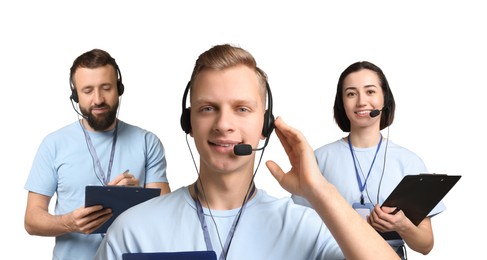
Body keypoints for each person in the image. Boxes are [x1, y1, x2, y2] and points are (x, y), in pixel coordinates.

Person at [95, 44, 398, 260]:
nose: (223, 124)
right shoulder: (133, 230)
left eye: (242, 109)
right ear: (189, 122)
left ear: (265, 124)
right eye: (208, 108)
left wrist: (319, 190)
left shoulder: (305, 228)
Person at [24, 48, 171, 260]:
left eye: (106, 88)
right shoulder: (53, 144)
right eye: (87, 90)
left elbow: (165, 217)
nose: (98, 99)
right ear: (75, 95)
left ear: (119, 89)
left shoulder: (147, 142)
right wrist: (68, 223)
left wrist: (136, 197)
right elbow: (31, 220)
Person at [292, 61, 444, 259]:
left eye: (370, 92)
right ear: (342, 103)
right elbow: (298, 230)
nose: (361, 102)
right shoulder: (317, 159)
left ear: (384, 99)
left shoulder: (409, 162)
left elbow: (426, 245)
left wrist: (402, 226)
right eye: (351, 93)